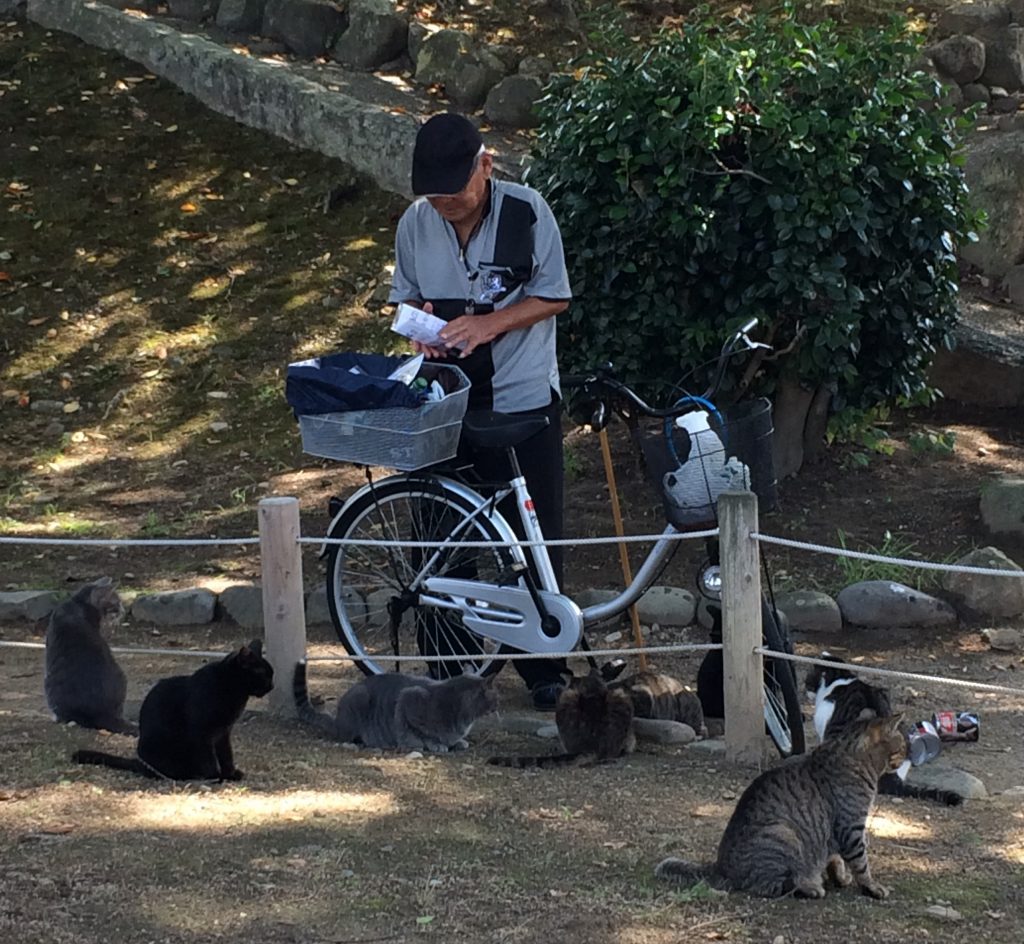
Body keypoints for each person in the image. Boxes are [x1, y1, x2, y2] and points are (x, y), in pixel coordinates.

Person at [388, 112, 572, 711]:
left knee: (535, 533)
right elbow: (406, 295)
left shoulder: (528, 211)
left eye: (454, 190)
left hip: (521, 394)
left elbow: (555, 295)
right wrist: (421, 328)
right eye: (433, 193)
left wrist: (490, 324)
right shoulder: (416, 223)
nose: (444, 202)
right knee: (441, 531)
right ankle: (446, 663)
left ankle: (545, 669)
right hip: (445, 396)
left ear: (485, 166)